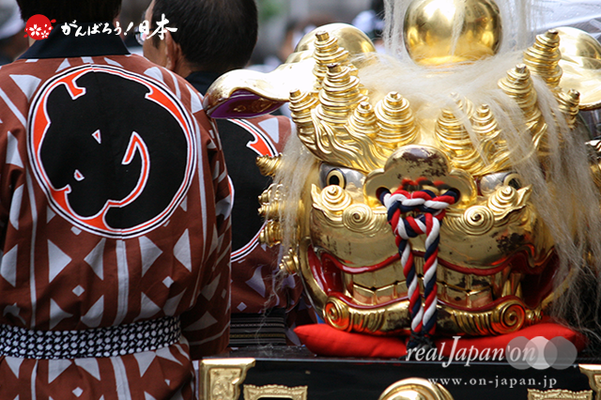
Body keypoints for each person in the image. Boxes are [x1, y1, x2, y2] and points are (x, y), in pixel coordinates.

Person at [0, 0, 231, 398]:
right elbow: (215, 250)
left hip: (27, 380)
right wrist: (209, 356)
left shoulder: (7, 101)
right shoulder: (185, 100)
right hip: (162, 376)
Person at [143, 0, 311, 347]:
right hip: (275, 346)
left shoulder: (147, 134)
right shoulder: (292, 138)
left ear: (169, 50)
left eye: (148, 34)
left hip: (168, 350)